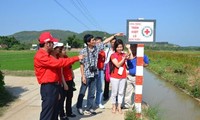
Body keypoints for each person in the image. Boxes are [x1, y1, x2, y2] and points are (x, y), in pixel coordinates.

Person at [34, 32, 84, 120]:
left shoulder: (48, 55)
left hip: (54, 86)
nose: (53, 45)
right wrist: (77, 58)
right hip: (48, 87)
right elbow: (59, 63)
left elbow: (60, 64)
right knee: (48, 113)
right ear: (47, 43)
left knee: (54, 111)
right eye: (52, 43)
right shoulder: (41, 56)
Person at [76, 33, 123, 115]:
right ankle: (79, 107)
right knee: (82, 92)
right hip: (86, 75)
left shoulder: (96, 48)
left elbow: (105, 41)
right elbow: (81, 65)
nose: (94, 41)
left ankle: (89, 108)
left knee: (92, 93)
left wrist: (115, 35)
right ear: (88, 42)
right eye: (93, 40)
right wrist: (83, 76)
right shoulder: (83, 51)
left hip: (95, 74)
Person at [123, 44, 149, 109]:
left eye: (135, 47)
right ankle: (127, 105)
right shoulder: (129, 56)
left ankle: (137, 106)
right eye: (132, 47)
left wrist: (144, 64)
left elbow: (147, 64)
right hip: (129, 76)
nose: (133, 49)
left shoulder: (143, 56)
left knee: (138, 92)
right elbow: (127, 65)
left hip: (138, 77)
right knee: (128, 92)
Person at [109, 39, 129, 114]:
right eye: (118, 47)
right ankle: (114, 106)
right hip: (114, 76)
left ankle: (119, 106)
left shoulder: (124, 54)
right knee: (114, 92)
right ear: (115, 47)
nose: (119, 48)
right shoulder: (113, 55)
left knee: (121, 92)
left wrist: (129, 48)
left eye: (121, 47)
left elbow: (131, 56)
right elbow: (117, 65)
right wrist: (124, 58)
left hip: (123, 76)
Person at [59, 46, 77, 118]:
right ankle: (62, 114)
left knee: (70, 97)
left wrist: (72, 74)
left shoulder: (66, 57)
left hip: (70, 79)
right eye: (63, 50)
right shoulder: (60, 60)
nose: (65, 51)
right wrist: (64, 84)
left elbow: (70, 66)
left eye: (65, 50)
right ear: (59, 51)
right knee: (62, 99)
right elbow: (61, 73)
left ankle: (69, 112)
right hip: (64, 81)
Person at [103, 37, 117, 101]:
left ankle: (115, 96)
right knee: (106, 82)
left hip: (116, 67)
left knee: (116, 83)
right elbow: (105, 59)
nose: (113, 44)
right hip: (108, 67)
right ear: (110, 43)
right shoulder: (107, 50)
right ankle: (106, 95)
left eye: (114, 42)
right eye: (112, 42)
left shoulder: (119, 50)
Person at [95, 37, 105, 109]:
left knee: (100, 88)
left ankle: (98, 102)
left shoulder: (103, 52)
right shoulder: (94, 51)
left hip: (101, 71)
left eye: (99, 42)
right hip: (94, 71)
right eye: (97, 42)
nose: (98, 44)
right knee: (92, 88)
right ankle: (90, 103)